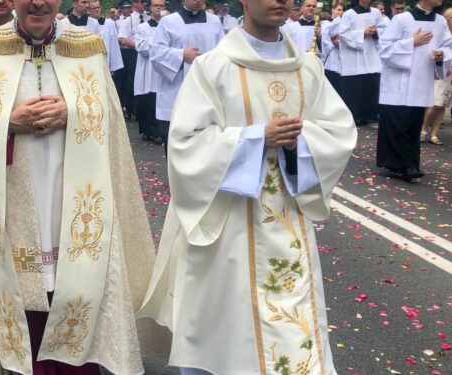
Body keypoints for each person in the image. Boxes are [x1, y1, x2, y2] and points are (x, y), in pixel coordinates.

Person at [137, 0, 356, 373]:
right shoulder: (214, 67)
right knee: (226, 332)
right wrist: (256, 139)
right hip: (228, 225)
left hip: (287, 219)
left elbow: (339, 134)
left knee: (292, 336)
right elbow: (186, 145)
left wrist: (300, 142)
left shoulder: (308, 69)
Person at [0, 0, 158, 372]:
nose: (38, 2)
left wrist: (73, 111)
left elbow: (109, 118)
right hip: (15, 195)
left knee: (76, 281)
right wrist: (7, 123)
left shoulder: (87, 47)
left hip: (73, 194)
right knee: (20, 288)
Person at [377, 0, 452, 182]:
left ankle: (410, 165)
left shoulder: (441, 21)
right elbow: (385, 48)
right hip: (398, 82)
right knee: (398, 123)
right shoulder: (402, 19)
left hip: (421, 81)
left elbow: (448, 46)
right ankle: (398, 166)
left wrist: (441, 54)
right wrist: (412, 42)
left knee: (412, 123)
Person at [151, 0, 224, 154]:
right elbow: (156, 53)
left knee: (206, 147)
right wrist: (181, 54)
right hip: (176, 90)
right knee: (176, 147)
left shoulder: (215, 22)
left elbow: (224, 53)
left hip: (207, 92)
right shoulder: (168, 22)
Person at [421, 7, 452, 146]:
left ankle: (434, 134)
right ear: (447, 20)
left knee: (443, 105)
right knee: (434, 103)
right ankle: (423, 129)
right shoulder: (439, 34)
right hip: (438, 72)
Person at [338, 0, 386, 126]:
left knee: (371, 86)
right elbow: (343, 34)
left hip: (371, 54)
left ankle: (369, 116)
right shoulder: (349, 14)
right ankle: (354, 116)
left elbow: (384, 29)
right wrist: (362, 32)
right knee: (354, 88)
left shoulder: (376, 12)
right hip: (354, 56)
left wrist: (375, 32)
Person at [134, 0, 163, 143]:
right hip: (148, 68)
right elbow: (142, 48)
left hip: (163, 68)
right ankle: (148, 131)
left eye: (161, 6)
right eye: (156, 6)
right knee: (148, 100)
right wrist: (159, 40)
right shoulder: (142, 27)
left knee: (160, 99)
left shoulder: (168, 26)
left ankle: (159, 131)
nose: (159, 8)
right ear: (151, 9)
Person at [321, 1, 343, 95]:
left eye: (342, 10)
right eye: (338, 9)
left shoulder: (344, 24)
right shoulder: (325, 23)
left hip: (341, 59)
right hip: (329, 59)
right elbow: (323, 38)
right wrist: (332, 43)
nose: (340, 12)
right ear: (332, 10)